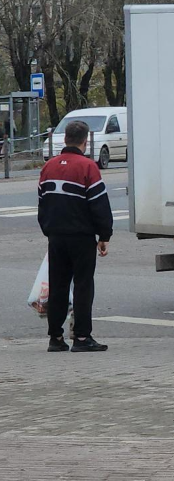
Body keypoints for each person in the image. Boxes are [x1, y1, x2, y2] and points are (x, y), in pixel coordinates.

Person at [37, 120, 113, 352]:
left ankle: (55, 338)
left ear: (65, 138)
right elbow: (98, 204)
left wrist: (49, 230)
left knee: (58, 286)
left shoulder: (48, 167)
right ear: (85, 140)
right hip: (81, 236)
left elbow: (42, 202)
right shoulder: (87, 167)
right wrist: (104, 234)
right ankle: (81, 337)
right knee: (82, 286)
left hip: (56, 237)